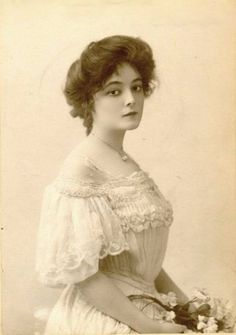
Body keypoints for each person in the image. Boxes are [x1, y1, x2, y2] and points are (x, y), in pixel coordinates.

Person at [35, 35, 189, 334]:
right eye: (114, 91)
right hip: (106, 318)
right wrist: (150, 328)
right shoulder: (81, 167)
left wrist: (188, 309)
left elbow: (143, 262)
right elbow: (84, 276)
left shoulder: (125, 161)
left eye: (137, 87)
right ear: (88, 99)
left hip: (145, 307)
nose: (131, 99)